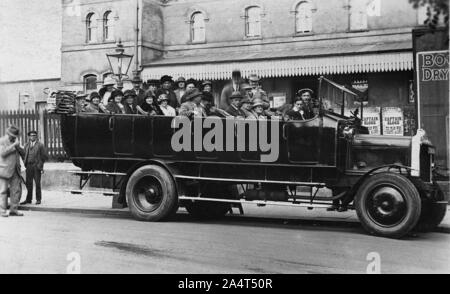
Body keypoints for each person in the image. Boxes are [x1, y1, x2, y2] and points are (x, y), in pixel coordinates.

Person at [18, 131, 48, 205]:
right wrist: (25, 162)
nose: (33, 137)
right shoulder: (26, 145)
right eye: (31, 136)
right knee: (28, 184)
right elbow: (23, 154)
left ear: (36, 136)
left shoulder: (40, 145)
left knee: (37, 183)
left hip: (36, 167)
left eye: (34, 135)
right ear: (29, 137)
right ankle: (28, 199)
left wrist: (40, 165)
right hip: (28, 166)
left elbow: (44, 156)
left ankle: (38, 199)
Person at [0, 126, 24, 217]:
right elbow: (2, 153)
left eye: (15, 136)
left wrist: (18, 146)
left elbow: (23, 153)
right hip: (4, 169)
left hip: (15, 169)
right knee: (2, 191)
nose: (14, 137)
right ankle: (2, 211)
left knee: (16, 190)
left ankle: (14, 210)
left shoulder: (15, 142)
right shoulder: (2, 141)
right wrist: (14, 145)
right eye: (12, 136)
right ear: (8, 134)